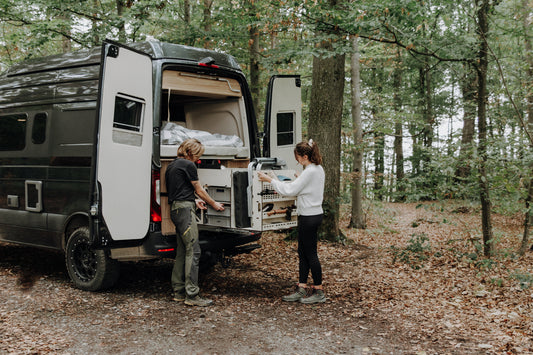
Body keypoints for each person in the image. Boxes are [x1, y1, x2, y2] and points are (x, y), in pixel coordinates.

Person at [257, 139, 326, 304]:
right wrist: (299, 177)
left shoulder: (310, 171)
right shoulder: (317, 169)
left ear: (304, 156)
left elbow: (290, 190)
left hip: (309, 216)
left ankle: (319, 291)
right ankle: (302, 287)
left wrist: (269, 180)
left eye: (298, 157)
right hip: (313, 214)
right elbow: (308, 186)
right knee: (303, 253)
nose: (297, 160)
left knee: (310, 254)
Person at [165, 138, 224, 307]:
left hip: (176, 209)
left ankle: (178, 292)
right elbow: (198, 189)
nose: (198, 159)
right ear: (190, 152)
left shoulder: (172, 165)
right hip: (184, 211)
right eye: (198, 155)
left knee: (183, 251)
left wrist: (193, 201)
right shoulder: (188, 165)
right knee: (194, 250)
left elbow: (179, 191)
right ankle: (192, 295)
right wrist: (214, 203)